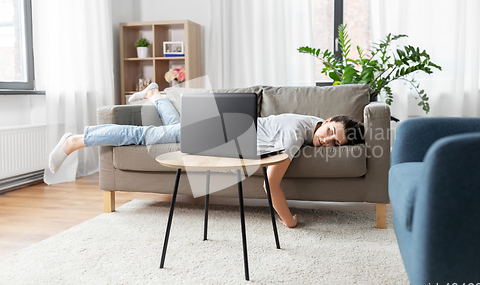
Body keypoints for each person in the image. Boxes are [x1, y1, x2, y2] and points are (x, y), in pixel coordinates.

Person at [49, 83, 364, 228]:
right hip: (216, 135)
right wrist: (290, 220)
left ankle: (155, 94)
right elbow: (271, 184)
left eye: (335, 143)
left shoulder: (310, 124)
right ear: (329, 119)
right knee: (141, 136)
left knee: (173, 129)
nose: (327, 141)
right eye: (331, 132)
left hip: (218, 130)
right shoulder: (296, 134)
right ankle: (77, 138)